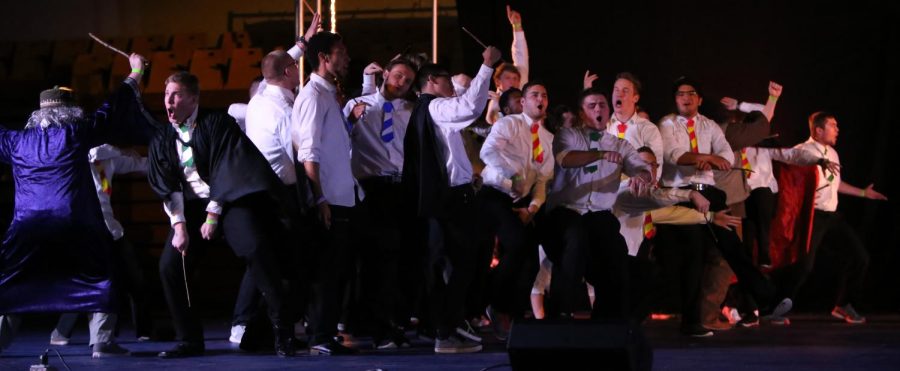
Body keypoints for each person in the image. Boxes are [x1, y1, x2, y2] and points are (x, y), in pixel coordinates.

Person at [0, 53, 154, 357]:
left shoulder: (16, 142)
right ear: (70, 112)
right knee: (103, 271)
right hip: (74, 222)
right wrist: (135, 71)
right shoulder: (76, 134)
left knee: (13, 279)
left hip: (26, 226)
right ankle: (102, 341)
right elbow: (113, 107)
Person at [149, 71, 296, 358]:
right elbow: (168, 185)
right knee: (170, 265)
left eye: (176, 94)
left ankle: (281, 329)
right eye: (167, 95)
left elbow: (226, 169)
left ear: (193, 98)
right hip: (190, 206)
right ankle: (189, 339)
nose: (169, 100)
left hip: (228, 198)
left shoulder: (216, 123)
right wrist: (179, 226)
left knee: (254, 247)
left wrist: (213, 215)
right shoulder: (162, 136)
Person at [658, 77, 788, 336]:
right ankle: (692, 322)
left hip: (710, 191)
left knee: (734, 249)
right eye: (681, 94)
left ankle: (768, 298)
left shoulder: (709, 126)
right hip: (683, 192)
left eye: (692, 93)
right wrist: (706, 157)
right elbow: (675, 155)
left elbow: (726, 153)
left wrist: (715, 160)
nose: (686, 98)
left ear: (700, 99)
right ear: (675, 99)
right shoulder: (667, 124)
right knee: (693, 258)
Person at [402, 45, 501, 353]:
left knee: (456, 264)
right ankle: (448, 327)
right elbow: (470, 106)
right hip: (452, 199)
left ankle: (449, 323)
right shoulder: (435, 108)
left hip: (450, 196)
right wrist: (486, 66)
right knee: (461, 264)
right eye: (447, 80)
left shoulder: (427, 110)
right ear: (432, 80)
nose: (453, 87)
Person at [229, 13, 320, 346]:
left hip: (265, 191)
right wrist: (317, 194)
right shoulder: (282, 110)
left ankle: (259, 327)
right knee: (289, 265)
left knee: (269, 263)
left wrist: (303, 41)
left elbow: (279, 65)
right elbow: (298, 153)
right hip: (282, 194)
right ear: (288, 74)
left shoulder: (260, 97)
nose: (299, 70)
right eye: (295, 68)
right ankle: (269, 328)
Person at [543, 87, 654, 320]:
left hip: (599, 213)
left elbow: (640, 167)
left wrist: (641, 176)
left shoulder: (620, 145)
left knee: (617, 255)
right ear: (582, 113)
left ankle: (607, 320)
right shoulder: (568, 136)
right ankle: (560, 313)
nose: (598, 109)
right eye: (591, 105)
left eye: (602, 105)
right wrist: (600, 155)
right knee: (574, 240)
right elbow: (566, 159)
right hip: (567, 210)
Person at [773, 111, 887, 324]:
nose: (837, 129)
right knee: (803, 266)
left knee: (860, 257)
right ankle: (776, 308)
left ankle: (843, 305)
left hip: (832, 215)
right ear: (818, 130)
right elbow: (788, 165)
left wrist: (863, 193)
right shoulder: (802, 150)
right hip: (812, 215)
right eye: (833, 125)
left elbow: (837, 184)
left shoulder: (833, 153)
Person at [292, 31, 361, 355]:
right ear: (324, 58)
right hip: (328, 199)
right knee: (327, 272)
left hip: (342, 196)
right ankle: (319, 335)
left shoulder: (328, 95)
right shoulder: (312, 97)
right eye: (341, 52)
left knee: (338, 272)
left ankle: (326, 333)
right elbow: (309, 152)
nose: (346, 59)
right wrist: (319, 198)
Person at [342, 57, 417, 349]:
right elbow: (340, 138)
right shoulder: (359, 104)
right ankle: (378, 327)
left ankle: (388, 322)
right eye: (398, 76)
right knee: (378, 259)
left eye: (408, 80)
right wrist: (351, 119)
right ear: (386, 73)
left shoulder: (410, 111)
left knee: (397, 260)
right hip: (371, 187)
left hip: (400, 187)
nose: (402, 83)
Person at [50, 144, 152, 349]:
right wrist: (122, 150)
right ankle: (64, 332)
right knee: (89, 281)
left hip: (111, 229)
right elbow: (94, 151)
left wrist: (168, 159)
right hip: (86, 229)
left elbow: (140, 164)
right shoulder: (78, 156)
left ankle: (145, 331)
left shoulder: (109, 160)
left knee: (135, 277)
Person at [479, 81, 554, 339]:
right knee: (518, 244)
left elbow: (543, 181)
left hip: (520, 203)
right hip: (494, 194)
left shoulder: (547, 138)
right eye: (534, 94)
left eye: (544, 95)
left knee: (531, 261)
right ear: (523, 101)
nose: (539, 99)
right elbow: (487, 151)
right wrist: (512, 177)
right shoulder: (509, 124)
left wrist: (533, 208)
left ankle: (513, 314)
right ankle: (492, 301)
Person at [485, 6, 530, 125]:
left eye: (515, 78)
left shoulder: (521, 86)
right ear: (498, 82)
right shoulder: (495, 101)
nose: (513, 82)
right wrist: (499, 103)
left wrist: (517, 26)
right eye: (508, 78)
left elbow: (520, 54)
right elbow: (493, 122)